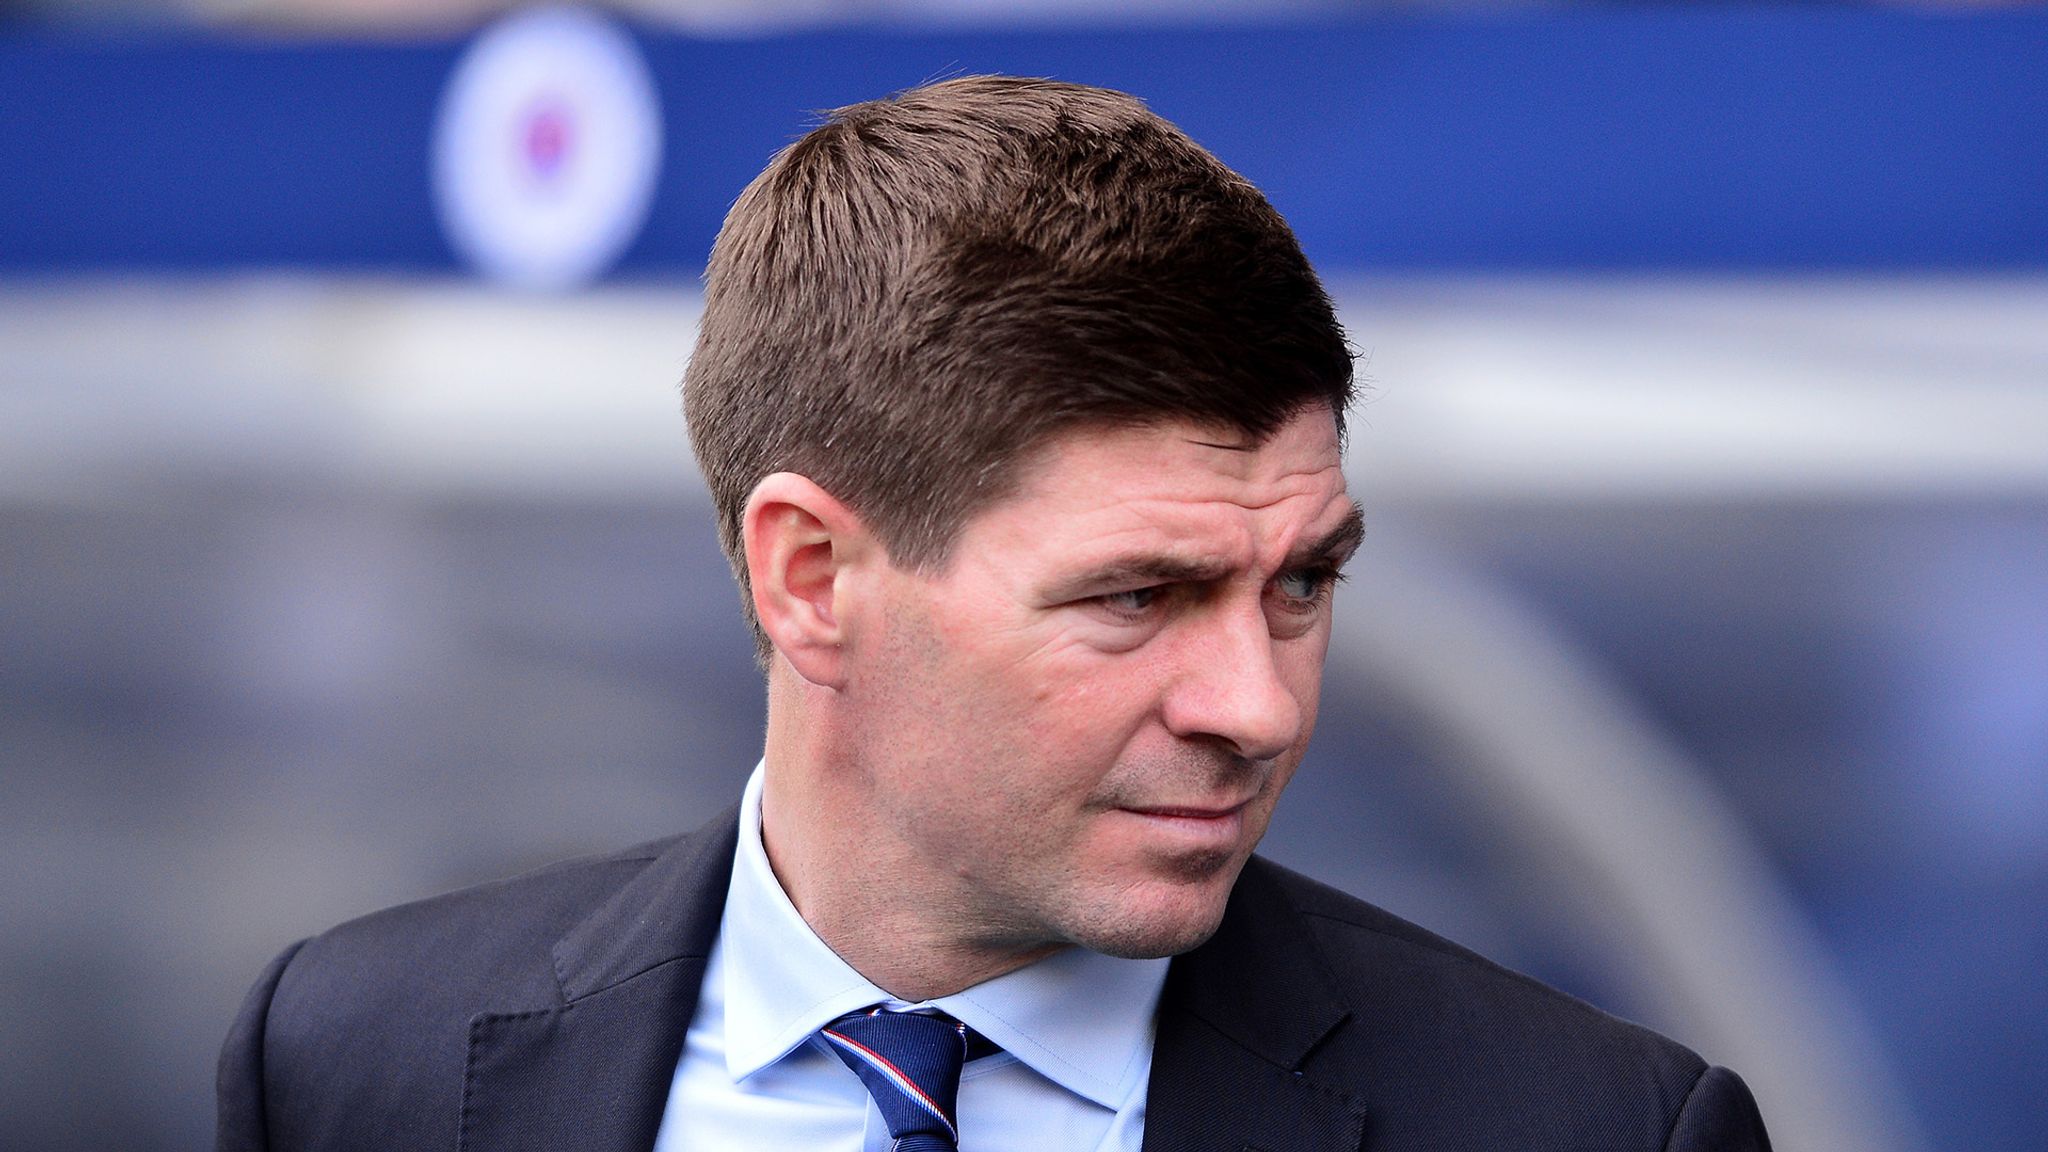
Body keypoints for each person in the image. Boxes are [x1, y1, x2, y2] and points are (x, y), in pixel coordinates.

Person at [217, 76, 1772, 1152]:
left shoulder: (1586, 1127)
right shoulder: (357, 1063)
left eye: (1302, 581)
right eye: (1137, 596)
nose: (1258, 706)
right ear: (811, 578)